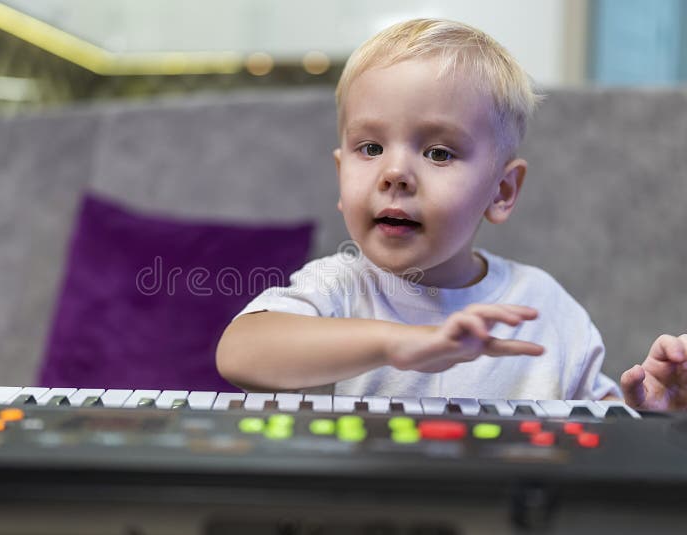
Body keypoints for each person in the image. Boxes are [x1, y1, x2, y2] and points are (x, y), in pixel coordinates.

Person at [215, 18, 687, 410]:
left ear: (502, 191)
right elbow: (240, 353)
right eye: (371, 147)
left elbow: (598, 430)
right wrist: (394, 343)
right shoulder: (337, 288)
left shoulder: (543, 307)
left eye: (439, 153)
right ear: (341, 176)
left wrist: (650, 410)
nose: (395, 172)